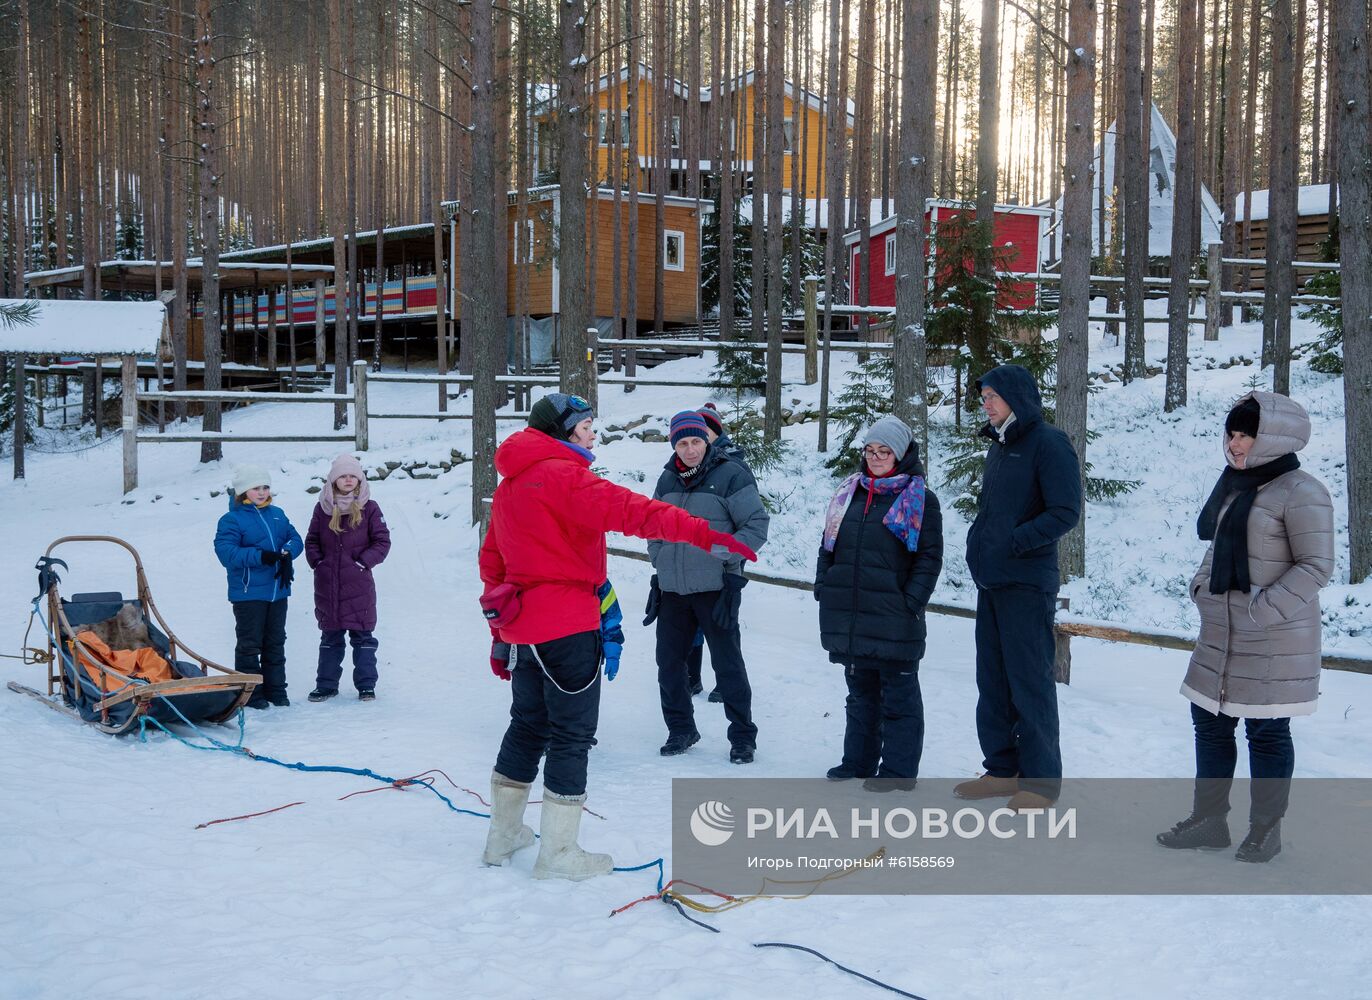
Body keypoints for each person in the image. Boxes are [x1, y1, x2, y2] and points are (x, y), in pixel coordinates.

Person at [479, 393, 757, 881]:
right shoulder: (565, 476)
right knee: (571, 735)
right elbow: (639, 513)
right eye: (586, 425)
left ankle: (502, 836)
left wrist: (501, 633)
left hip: (524, 628)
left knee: (526, 725)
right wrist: (706, 535)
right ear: (565, 432)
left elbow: (493, 565)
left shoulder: (511, 485)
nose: (592, 433)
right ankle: (558, 853)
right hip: (567, 624)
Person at [1157, 393, 1333, 863]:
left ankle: (1265, 830)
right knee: (1209, 726)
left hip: (1272, 637)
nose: (1235, 444)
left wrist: (1262, 610)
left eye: (1245, 434)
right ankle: (1209, 821)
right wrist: (1200, 588)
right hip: (1220, 632)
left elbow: (1315, 566)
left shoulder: (1303, 490)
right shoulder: (1235, 486)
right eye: (1232, 433)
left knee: (1267, 733)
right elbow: (1217, 549)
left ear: (1272, 436)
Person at [957, 364, 1081, 810]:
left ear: (1016, 397)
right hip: (991, 580)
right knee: (992, 680)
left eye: (992, 395)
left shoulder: (1048, 443)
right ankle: (1003, 769)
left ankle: (1040, 782)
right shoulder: (1001, 445)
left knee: (1030, 682)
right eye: (984, 396)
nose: (986, 403)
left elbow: (1065, 511)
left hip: (1026, 583)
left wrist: (1014, 544)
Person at [815, 416, 943, 792]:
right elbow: (827, 545)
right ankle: (858, 760)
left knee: (899, 698)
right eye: (870, 450)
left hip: (894, 617)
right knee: (860, 694)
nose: (875, 457)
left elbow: (929, 558)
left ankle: (899, 772)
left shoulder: (919, 499)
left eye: (884, 451)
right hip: (852, 613)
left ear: (900, 454)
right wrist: (824, 584)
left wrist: (911, 601)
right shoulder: (848, 493)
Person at [644, 410, 770, 764]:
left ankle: (742, 736)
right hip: (672, 589)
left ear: (707, 440)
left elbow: (756, 523)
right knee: (669, 664)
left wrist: (724, 553)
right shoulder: (668, 479)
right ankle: (681, 729)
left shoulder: (730, 475)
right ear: (674, 445)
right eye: (682, 443)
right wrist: (660, 555)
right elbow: (653, 524)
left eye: (696, 441)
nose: (690, 450)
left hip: (716, 587)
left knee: (727, 664)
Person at [213, 464, 305, 709]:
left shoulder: (277, 514)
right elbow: (226, 553)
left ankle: (277, 691)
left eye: (265, 487)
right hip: (248, 592)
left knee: (275, 642)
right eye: (256, 488)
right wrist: (260, 556)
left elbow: (295, 538)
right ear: (243, 491)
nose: (262, 492)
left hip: (277, 590)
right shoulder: (232, 519)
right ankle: (252, 694)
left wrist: (288, 552)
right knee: (249, 644)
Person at [304, 454, 392, 703]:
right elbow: (311, 540)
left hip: (359, 585)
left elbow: (382, 541)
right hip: (328, 586)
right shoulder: (322, 508)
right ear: (334, 479)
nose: (348, 479)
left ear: (360, 479)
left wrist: (362, 563)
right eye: (343, 475)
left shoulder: (370, 507)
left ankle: (366, 685)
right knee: (330, 637)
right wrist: (318, 563)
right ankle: (326, 685)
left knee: (363, 637)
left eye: (353, 475)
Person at [688, 403, 749, 701]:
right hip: (689, 555)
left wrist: (732, 552)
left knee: (723, 620)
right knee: (691, 619)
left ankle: (727, 680)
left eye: (704, 432)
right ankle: (691, 676)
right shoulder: (686, 462)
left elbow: (746, 515)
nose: (698, 439)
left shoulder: (733, 465)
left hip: (724, 558)